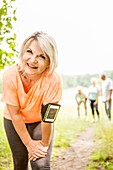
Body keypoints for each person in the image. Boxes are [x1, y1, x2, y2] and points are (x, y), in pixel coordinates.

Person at [1, 31, 63, 170]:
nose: (33, 59)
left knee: (41, 164)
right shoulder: (10, 76)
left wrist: (44, 146)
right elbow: (15, 114)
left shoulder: (53, 80)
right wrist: (29, 144)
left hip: (39, 121)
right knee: (20, 162)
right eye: (29, 52)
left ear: (49, 63)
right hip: (13, 120)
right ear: (23, 52)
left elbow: (48, 118)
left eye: (42, 56)